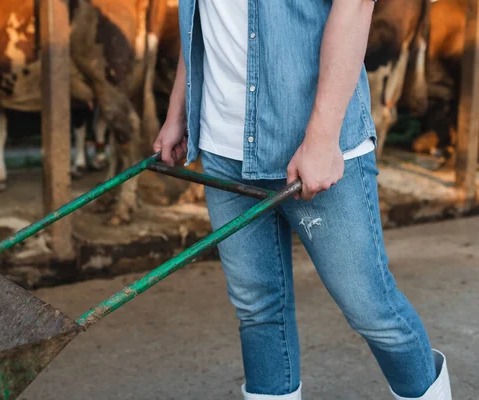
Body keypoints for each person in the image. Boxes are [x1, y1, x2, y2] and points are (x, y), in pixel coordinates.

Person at [153, 1, 452, 399]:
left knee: (370, 308)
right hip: (223, 149)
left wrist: (322, 139)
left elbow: (356, 6)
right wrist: (178, 113)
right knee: (257, 309)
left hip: (314, 148)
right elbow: (204, 20)